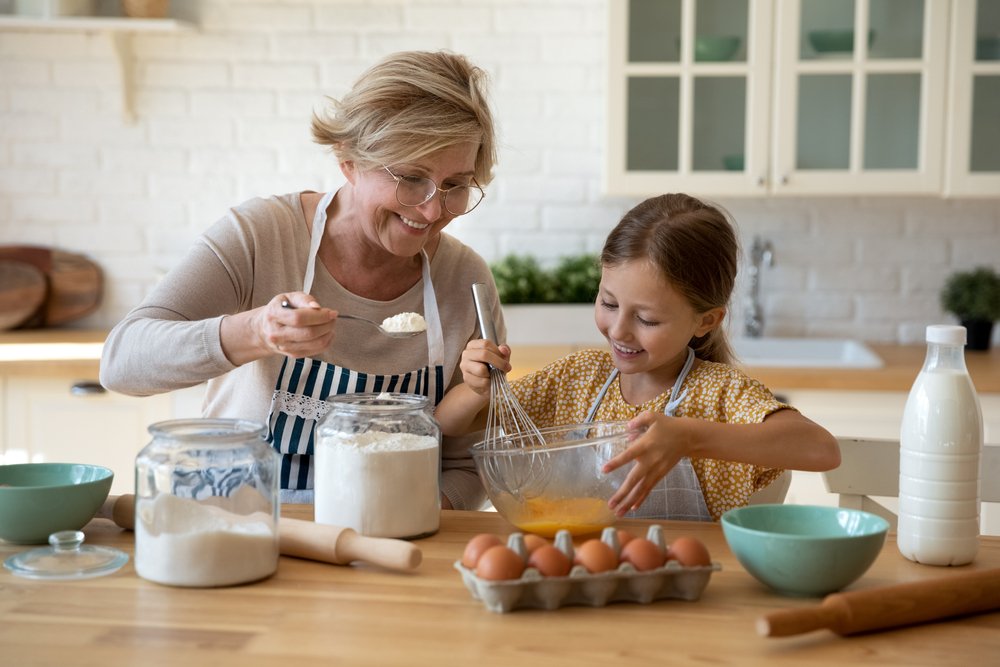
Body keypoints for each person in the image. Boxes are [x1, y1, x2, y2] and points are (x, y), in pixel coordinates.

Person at [100, 50, 505, 508]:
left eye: (456, 185)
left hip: (389, 551)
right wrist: (255, 331)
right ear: (348, 160)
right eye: (411, 178)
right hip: (237, 531)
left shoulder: (465, 281)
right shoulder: (262, 235)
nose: (432, 210)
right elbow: (122, 362)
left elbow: (466, 465)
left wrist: (406, 522)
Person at [435, 193, 841, 521]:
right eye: (609, 303)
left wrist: (688, 437)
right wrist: (476, 388)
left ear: (705, 321)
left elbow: (822, 449)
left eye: (646, 319)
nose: (619, 330)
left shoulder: (718, 394)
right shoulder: (576, 378)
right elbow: (448, 423)